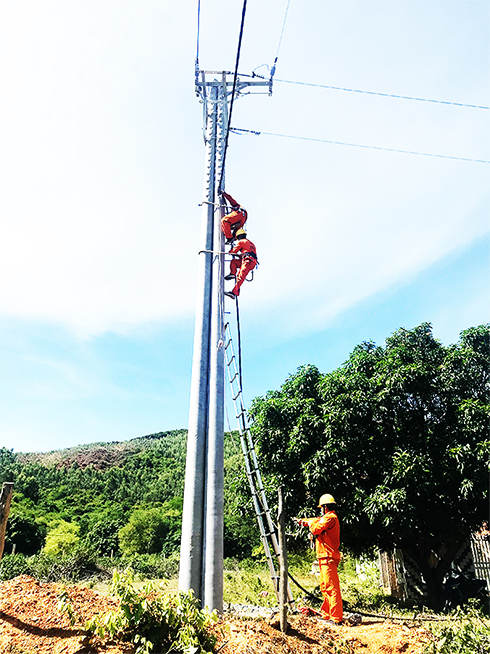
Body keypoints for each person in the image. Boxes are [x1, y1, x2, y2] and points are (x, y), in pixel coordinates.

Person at [295, 494, 343, 624]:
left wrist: (310, 523)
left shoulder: (330, 518)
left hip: (328, 557)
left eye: (321, 507)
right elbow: (315, 520)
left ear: (325, 507)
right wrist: (302, 521)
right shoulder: (326, 518)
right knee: (325, 587)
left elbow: (316, 528)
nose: (321, 510)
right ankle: (327, 615)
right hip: (324, 557)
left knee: (331, 588)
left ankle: (336, 618)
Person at [224, 229, 258, 299]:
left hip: (247, 261)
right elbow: (248, 252)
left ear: (239, 237)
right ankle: (233, 274)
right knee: (234, 262)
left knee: (240, 276)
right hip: (250, 261)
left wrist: (230, 251)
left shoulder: (241, 242)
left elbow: (233, 251)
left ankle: (234, 292)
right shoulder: (250, 243)